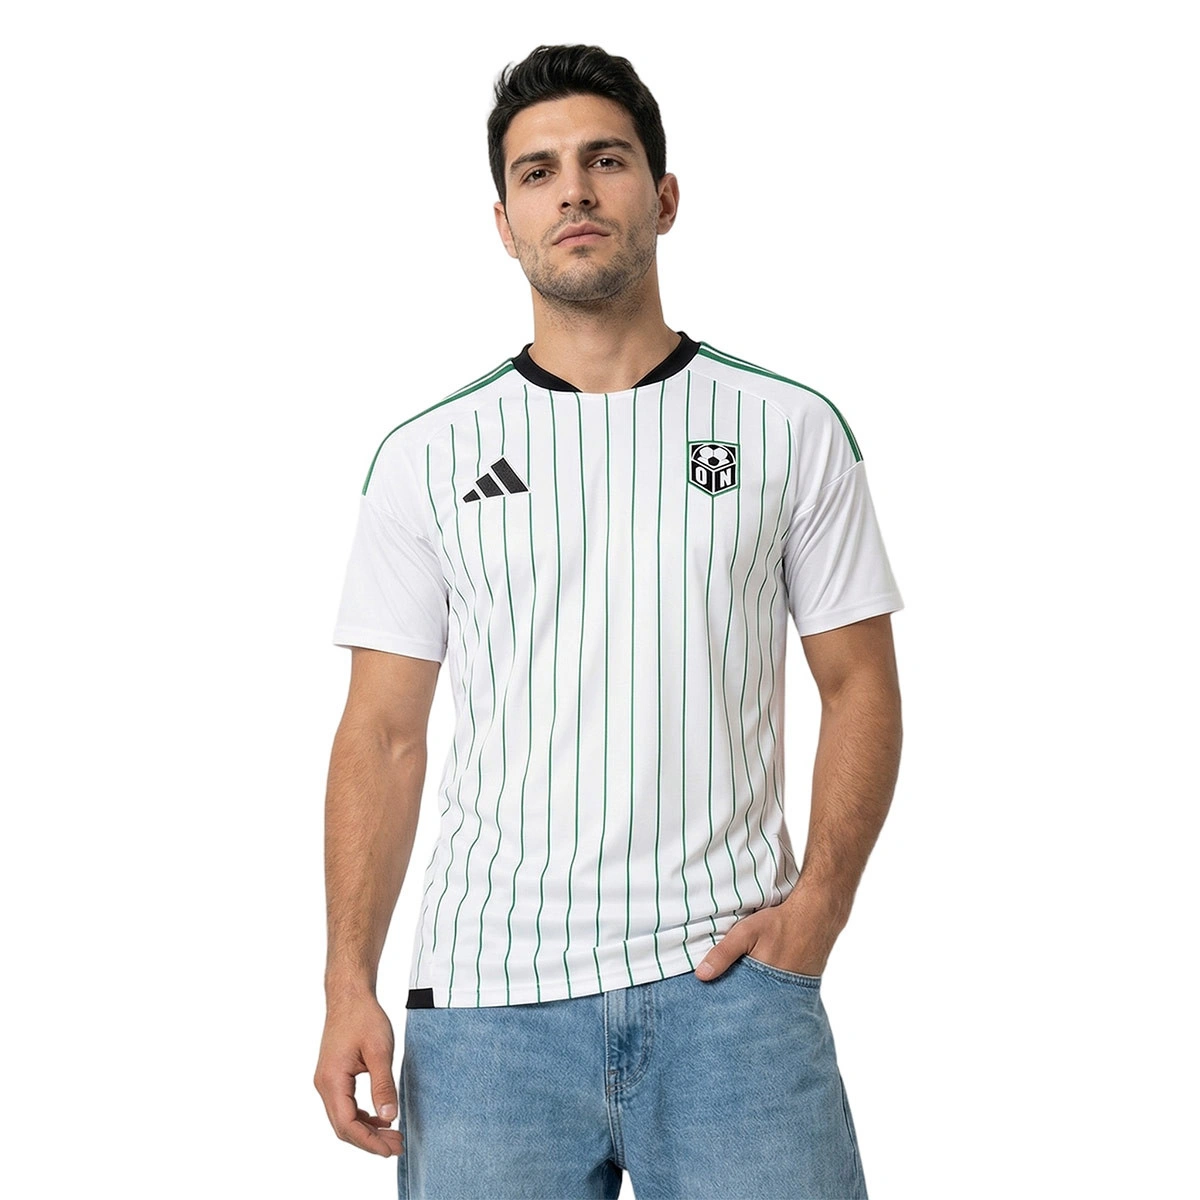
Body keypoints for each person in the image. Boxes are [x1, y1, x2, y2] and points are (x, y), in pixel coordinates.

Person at [314, 43, 903, 1200]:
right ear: (504, 224)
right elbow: (381, 736)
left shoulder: (788, 428)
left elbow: (860, 687)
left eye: (606, 160)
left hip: (733, 995)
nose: (573, 192)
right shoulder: (425, 458)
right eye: (537, 173)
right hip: (489, 1015)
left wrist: (819, 911)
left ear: (664, 196)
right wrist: (347, 982)